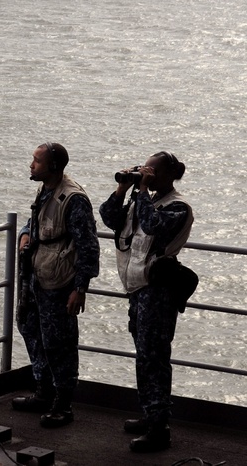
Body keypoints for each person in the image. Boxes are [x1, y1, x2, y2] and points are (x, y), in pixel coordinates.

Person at [99, 151, 193, 453]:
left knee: (154, 359)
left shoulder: (178, 207)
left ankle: (159, 428)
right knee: (143, 356)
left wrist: (141, 191)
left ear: (168, 175)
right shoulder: (142, 200)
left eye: (151, 171)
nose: (146, 175)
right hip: (139, 290)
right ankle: (149, 413)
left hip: (158, 291)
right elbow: (109, 217)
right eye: (144, 170)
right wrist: (124, 188)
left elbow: (153, 226)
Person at [13, 142, 100, 428]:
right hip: (37, 276)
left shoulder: (72, 199)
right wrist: (26, 234)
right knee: (30, 329)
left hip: (59, 281)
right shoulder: (46, 190)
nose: (31, 165)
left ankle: (63, 404)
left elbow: (88, 246)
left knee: (59, 343)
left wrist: (80, 288)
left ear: (52, 166)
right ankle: (43, 391)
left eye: (36, 161)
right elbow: (35, 222)